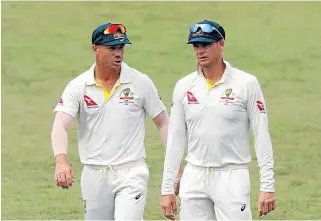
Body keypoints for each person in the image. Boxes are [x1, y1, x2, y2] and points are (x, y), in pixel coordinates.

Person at [51, 23, 169, 220]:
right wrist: (61, 161)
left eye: (121, 48)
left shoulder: (140, 82)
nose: (118, 54)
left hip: (131, 172)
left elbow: (163, 122)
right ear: (95, 49)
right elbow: (61, 125)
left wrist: (174, 165)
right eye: (112, 48)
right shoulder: (79, 86)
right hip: (94, 174)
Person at [160, 20, 276, 220]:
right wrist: (167, 187)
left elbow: (261, 134)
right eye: (196, 46)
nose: (200, 51)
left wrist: (268, 185)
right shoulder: (184, 86)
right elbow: (175, 138)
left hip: (232, 176)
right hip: (194, 176)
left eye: (206, 45)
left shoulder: (246, 84)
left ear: (221, 44)